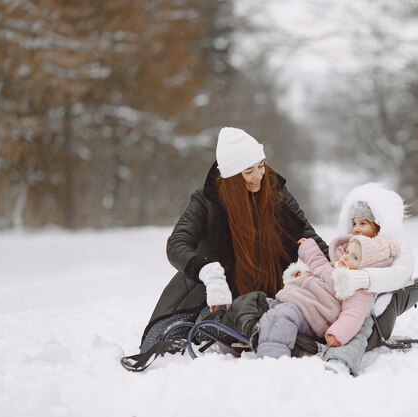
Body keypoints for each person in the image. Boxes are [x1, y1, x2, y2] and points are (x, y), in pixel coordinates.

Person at [138, 127, 328, 354]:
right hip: (218, 293)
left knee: (293, 320)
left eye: (261, 166)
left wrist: (336, 268)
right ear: (231, 177)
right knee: (181, 333)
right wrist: (207, 271)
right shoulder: (205, 201)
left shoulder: (276, 192)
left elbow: (307, 234)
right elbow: (177, 244)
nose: (258, 176)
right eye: (249, 171)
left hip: (272, 288)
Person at [322, 182, 418, 375]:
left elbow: (399, 273)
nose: (356, 229)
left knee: (357, 327)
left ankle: (340, 360)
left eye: (363, 223)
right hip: (337, 295)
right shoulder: (348, 245)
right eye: (354, 223)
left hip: (366, 305)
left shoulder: (392, 248)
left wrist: (363, 278)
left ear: (378, 225)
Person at [255, 234, 401, 358]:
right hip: (289, 300)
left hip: (309, 314)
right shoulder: (332, 268)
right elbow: (317, 261)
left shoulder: (358, 287)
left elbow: (353, 314)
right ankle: (241, 330)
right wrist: (307, 246)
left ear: (366, 266)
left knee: (280, 317)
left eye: (354, 257)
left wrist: (337, 333)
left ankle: (271, 358)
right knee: (256, 303)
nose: (346, 257)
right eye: (347, 252)